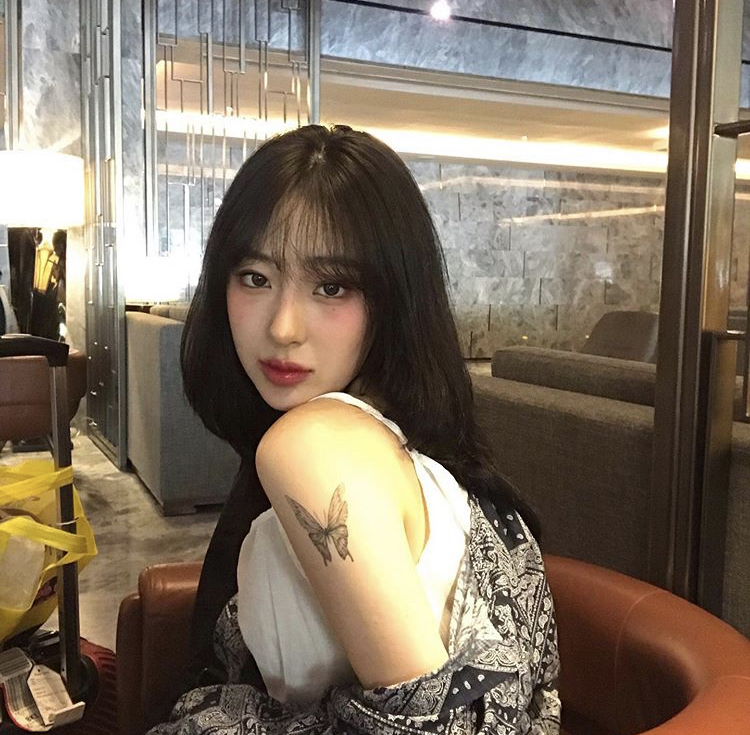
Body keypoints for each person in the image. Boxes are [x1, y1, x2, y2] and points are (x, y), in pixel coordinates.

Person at [148, 124, 561, 734]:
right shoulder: (401, 433)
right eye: (256, 277)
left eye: (331, 286)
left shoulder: (311, 445)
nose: (283, 327)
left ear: (394, 296)